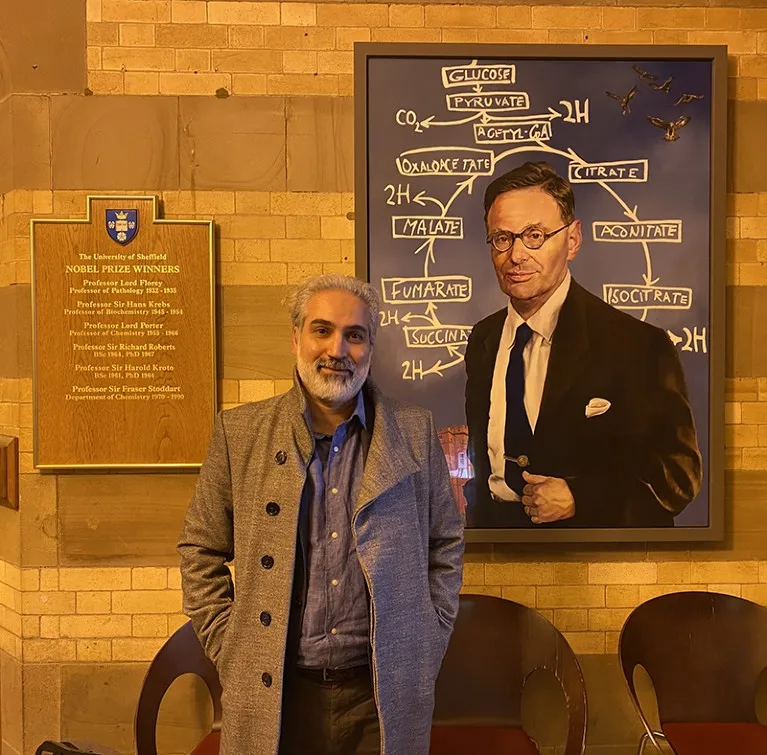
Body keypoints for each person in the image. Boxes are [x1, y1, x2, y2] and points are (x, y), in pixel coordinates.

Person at [179, 274, 464, 755]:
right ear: (296, 338)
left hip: (381, 693)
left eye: (355, 335)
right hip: (278, 692)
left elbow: (446, 541)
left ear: (371, 347)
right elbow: (199, 548)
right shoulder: (241, 433)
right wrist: (232, 647)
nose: (338, 349)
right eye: (322, 330)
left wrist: (427, 639)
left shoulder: (414, 431)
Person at [464, 161, 702, 529]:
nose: (516, 255)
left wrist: (581, 497)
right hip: (495, 553)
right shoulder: (483, 340)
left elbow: (679, 475)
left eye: (535, 236)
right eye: (502, 238)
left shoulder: (638, 346)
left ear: (572, 240)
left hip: (595, 560)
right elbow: (483, 465)